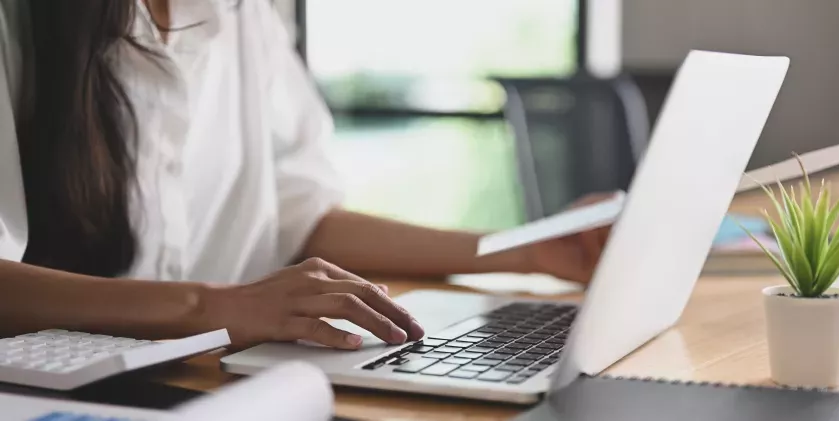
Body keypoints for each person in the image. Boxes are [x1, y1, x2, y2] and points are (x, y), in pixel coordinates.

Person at [0, 0, 610, 350]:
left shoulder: (246, 18)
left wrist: (521, 251)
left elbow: (305, 218)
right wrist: (211, 307)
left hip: (219, 385)